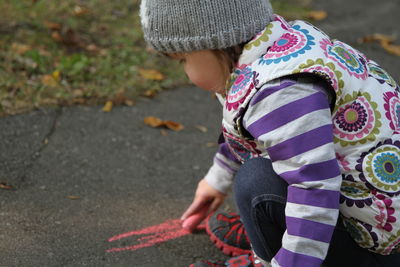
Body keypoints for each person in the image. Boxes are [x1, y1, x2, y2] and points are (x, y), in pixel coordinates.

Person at [139, 0, 400, 266]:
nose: (185, 73)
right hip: (379, 214)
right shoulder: (277, 49)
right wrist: (217, 179)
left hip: (378, 244)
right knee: (262, 174)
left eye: (184, 59)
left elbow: (315, 190)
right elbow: (250, 132)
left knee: (256, 182)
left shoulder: (279, 92)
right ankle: (276, 236)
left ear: (217, 43)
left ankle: (278, 254)